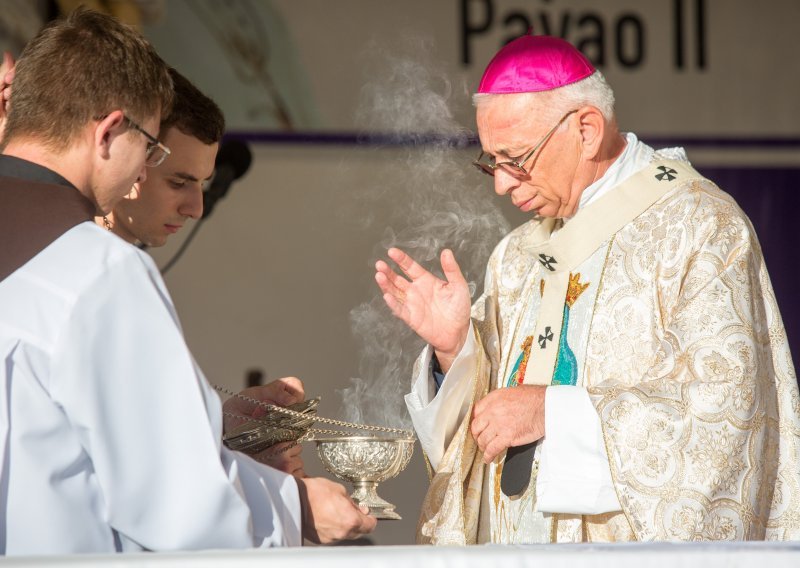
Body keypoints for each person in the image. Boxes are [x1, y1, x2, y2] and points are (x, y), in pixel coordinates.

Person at [375, 35, 800, 544]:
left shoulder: (700, 227)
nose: (501, 185)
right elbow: (482, 437)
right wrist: (454, 351)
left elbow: (725, 420)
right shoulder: (516, 257)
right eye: (491, 161)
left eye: (516, 158)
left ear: (587, 130)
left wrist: (549, 411)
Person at [0, 8, 374, 555]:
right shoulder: (99, 270)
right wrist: (295, 506)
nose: (141, 170)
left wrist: (207, 420)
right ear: (108, 133)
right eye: (150, 148)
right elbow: (185, 515)